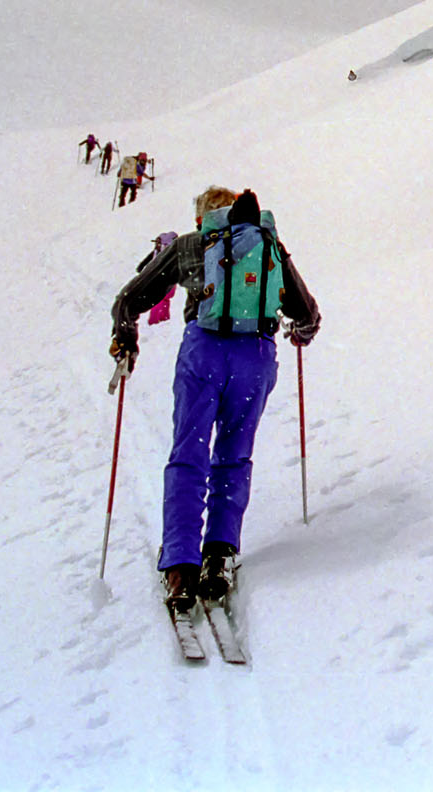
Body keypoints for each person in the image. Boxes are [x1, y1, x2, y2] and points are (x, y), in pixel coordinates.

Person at [110, 187, 320, 614]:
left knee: (189, 454)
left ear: (203, 219)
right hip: (255, 357)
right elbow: (307, 312)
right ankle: (220, 556)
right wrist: (300, 333)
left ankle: (180, 566)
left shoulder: (192, 245)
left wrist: (126, 337)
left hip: (203, 354)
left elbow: (130, 299)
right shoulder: (268, 244)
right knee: (234, 455)